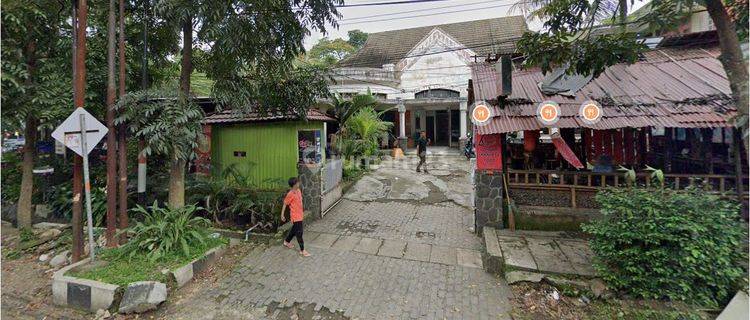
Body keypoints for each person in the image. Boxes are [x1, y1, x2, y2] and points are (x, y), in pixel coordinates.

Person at [281, 177, 310, 257]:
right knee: (299, 233)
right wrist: (282, 214)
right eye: (297, 182)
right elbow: (285, 204)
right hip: (295, 217)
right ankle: (302, 250)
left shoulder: (298, 191)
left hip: (300, 215)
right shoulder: (290, 194)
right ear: (294, 185)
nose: (299, 183)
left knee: (294, 230)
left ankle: (286, 242)